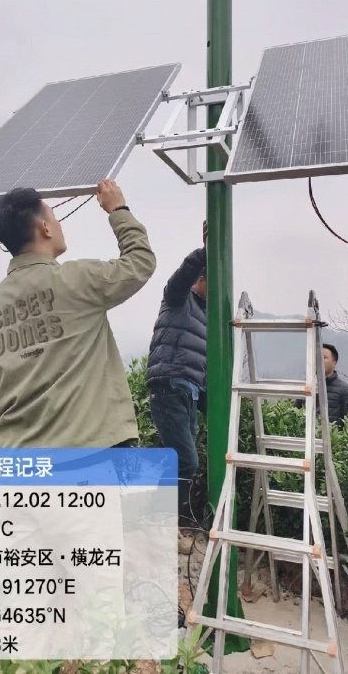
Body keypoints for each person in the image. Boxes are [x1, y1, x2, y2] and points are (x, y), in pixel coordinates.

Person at [0, 179, 156, 448]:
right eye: (54, 218)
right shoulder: (77, 279)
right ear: (44, 228)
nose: (58, 225)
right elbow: (140, 262)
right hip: (87, 459)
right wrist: (118, 210)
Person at [146, 222, 207, 554]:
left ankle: (164, 525)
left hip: (190, 392)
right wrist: (204, 252)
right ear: (200, 281)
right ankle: (161, 527)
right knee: (185, 460)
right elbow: (178, 279)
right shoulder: (178, 300)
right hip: (169, 385)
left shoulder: (207, 316)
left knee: (181, 460)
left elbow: (204, 367)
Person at [295, 343, 348, 426]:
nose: (319, 360)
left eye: (324, 357)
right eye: (316, 357)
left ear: (334, 363)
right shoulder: (306, 387)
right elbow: (295, 415)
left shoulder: (346, 391)